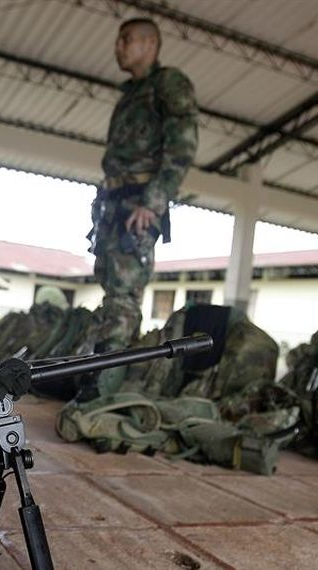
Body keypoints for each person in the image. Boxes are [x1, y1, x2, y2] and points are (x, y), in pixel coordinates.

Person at [90, 18, 198, 395]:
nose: (118, 47)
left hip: (139, 203)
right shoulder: (130, 93)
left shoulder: (167, 84)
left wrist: (153, 203)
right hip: (115, 202)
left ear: (150, 44)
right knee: (110, 284)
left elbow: (182, 146)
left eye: (126, 40)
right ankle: (104, 375)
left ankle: (102, 390)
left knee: (123, 293)